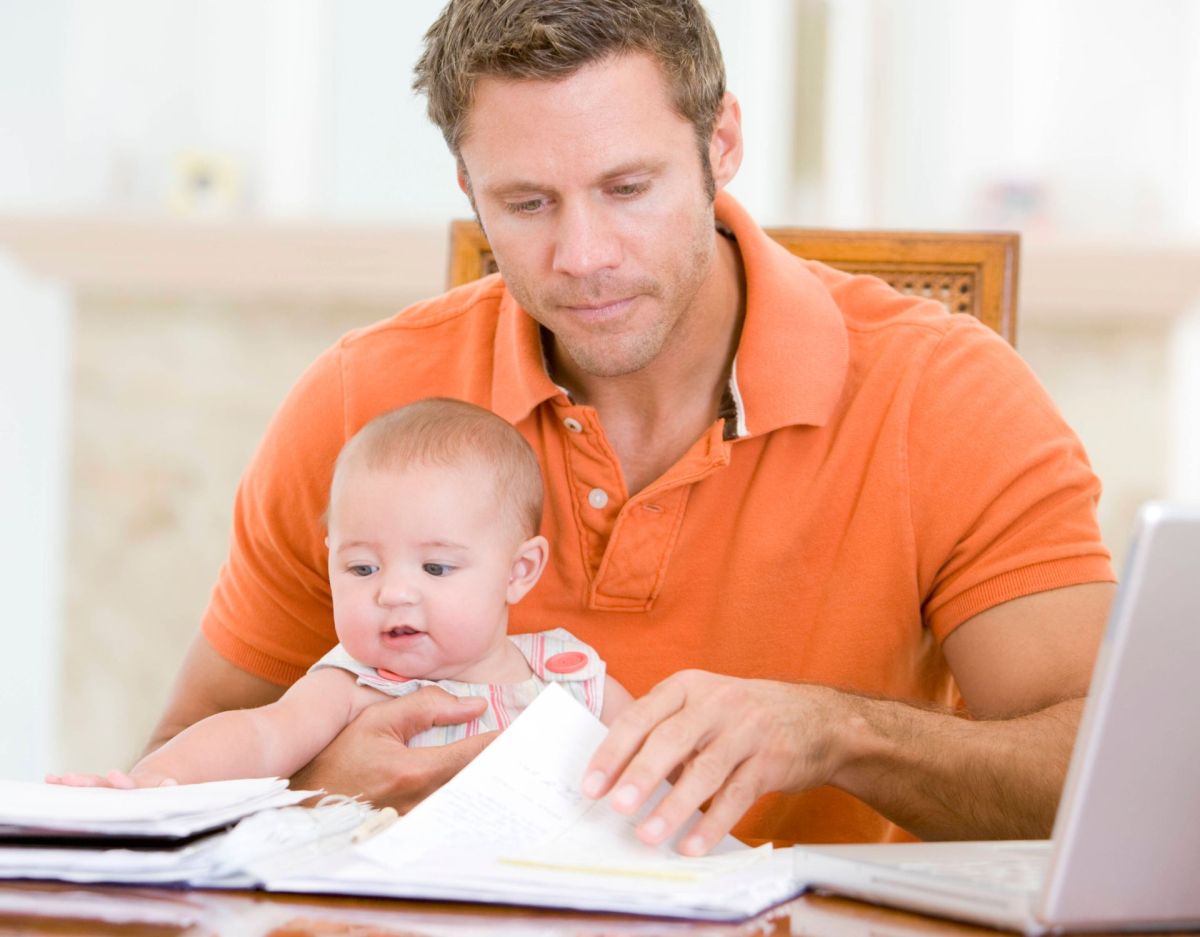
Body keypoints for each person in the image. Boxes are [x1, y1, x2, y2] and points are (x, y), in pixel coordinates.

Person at [143, 0, 1115, 853]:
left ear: (721, 143)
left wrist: (837, 732)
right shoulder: (365, 398)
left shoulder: (941, 394)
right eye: (525, 203)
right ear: (467, 187)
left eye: (628, 188)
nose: (583, 256)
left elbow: (1109, 782)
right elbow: (163, 787)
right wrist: (319, 789)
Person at [50, 400, 631, 788]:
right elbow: (257, 736)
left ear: (518, 571)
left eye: (435, 566)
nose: (394, 592)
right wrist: (148, 789)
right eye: (361, 568)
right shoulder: (355, 686)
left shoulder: (571, 677)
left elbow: (654, 759)